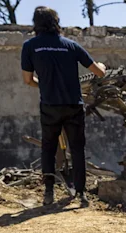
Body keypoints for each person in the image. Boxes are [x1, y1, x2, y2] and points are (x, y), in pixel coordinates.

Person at [21, 6, 106, 207]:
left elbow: (27, 80)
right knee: (77, 148)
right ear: (56, 22)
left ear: (36, 23)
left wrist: (44, 84)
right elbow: (99, 72)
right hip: (73, 105)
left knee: (49, 148)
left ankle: (49, 192)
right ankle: (81, 193)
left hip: (50, 106)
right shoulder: (70, 45)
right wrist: (101, 66)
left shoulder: (30, 46)